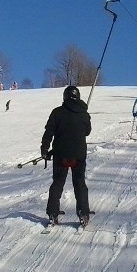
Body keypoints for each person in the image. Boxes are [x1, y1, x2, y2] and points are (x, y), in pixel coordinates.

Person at [41, 85, 92, 226]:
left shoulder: (57, 112)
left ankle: (52, 213)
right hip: (79, 155)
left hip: (60, 154)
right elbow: (87, 131)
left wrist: (44, 148)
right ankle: (83, 213)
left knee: (58, 182)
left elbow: (49, 131)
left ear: (64, 96)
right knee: (79, 182)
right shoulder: (84, 114)